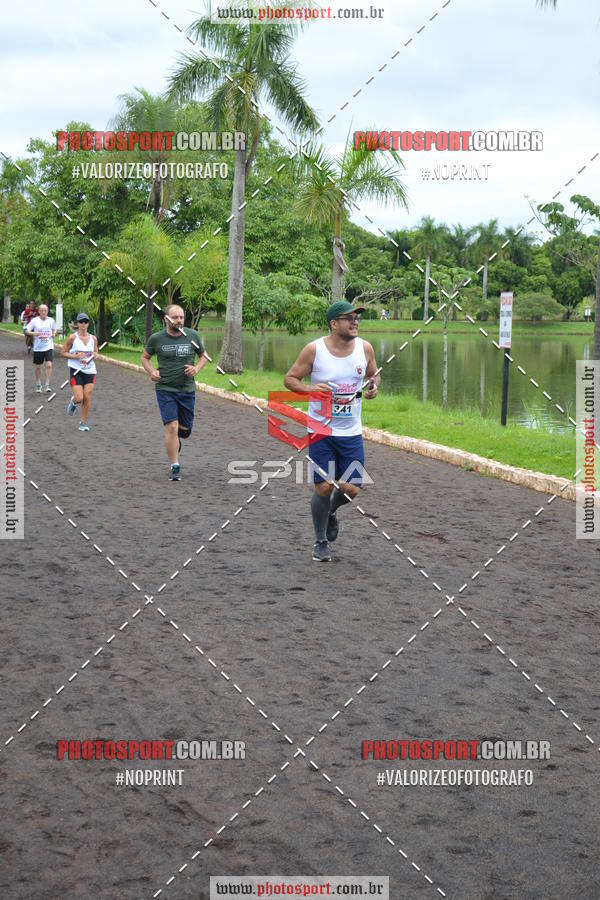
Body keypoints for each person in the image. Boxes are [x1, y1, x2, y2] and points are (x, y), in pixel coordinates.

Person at [284, 299, 380, 562]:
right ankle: (320, 541)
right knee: (324, 488)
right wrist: (311, 389)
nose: (355, 321)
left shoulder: (365, 348)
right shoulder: (314, 350)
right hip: (321, 430)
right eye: (349, 318)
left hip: (351, 432)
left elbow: (374, 374)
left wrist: (373, 386)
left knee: (351, 489)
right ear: (334, 323)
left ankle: (330, 513)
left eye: (356, 317)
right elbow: (290, 379)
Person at [141, 304, 208, 481]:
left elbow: (203, 356)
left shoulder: (192, 335)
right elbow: (145, 357)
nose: (179, 320)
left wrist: (196, 369)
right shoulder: (157, 339)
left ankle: (176, 441)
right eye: (175, 317)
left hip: (186, 390)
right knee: (172, 427)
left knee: (184, 431)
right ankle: (175, 466)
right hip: (165, 389)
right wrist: (152, 372)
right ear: (166, 319)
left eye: (181, 317)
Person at [61, 312, 99, 432]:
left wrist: (95, 355)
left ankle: (82, 423)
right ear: (77, 324)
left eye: (86, 322)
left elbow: (96, 352)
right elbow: (63, 352)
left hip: (90, 370)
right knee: (79, 398)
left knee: (87, 397)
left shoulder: (93, 338)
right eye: (81, 322)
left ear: (88, 324)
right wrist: (76, 356)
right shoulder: (73, 338)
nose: (83, 324)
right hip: (76, 370)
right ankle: (73, 402)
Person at [26, 304, 57, 392]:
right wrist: (34, 333)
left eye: (45, 310)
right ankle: (38, 383)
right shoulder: (34, 321)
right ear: (39, 311)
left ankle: (47, 384)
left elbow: (54, 329)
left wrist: (54, 333)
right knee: (38, 367)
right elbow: (27, 330)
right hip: (38, 347)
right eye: (42, 310)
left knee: (49, 365)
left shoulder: (51, 320)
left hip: (49, 346)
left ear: (47, 311)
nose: (43, 312)